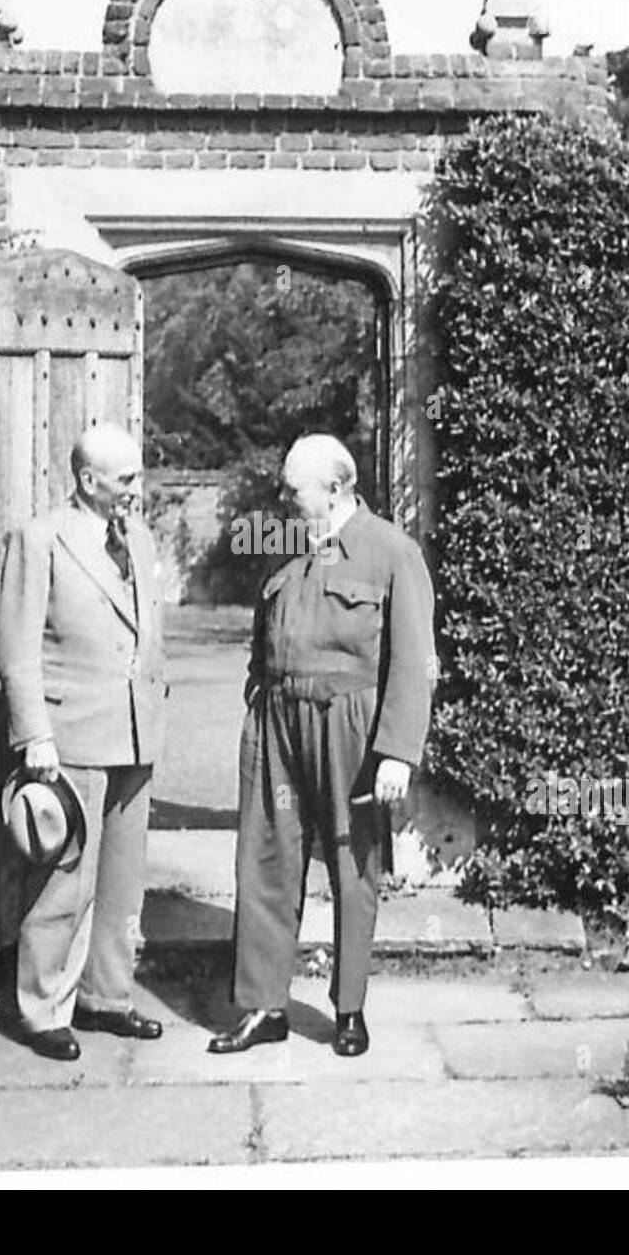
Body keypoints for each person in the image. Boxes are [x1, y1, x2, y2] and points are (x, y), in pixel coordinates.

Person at [209, 434, 436, 1058]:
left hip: (349, 725)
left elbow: (415, 661)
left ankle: (349, 1009)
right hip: (278, 722)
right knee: (265, 858)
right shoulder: (283, 548)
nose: (283, 500)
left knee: (351, 862)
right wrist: (261, 697)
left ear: (334, 488)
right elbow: (265, 633)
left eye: (293, 490)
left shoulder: (391, 552)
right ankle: (264, 1006)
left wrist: (397, 752)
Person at [0, 422, 166, 1060]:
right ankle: (40, 1009)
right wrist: (35, 735)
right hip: (69, 737)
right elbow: (16, 652)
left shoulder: (140, 539)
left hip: (134, 731)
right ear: (88, 481)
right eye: (125, 479)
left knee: (123, 884)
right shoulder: (40, 539)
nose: (135, 489)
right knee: (64, 882)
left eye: (137, 476)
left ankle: (105, 997)